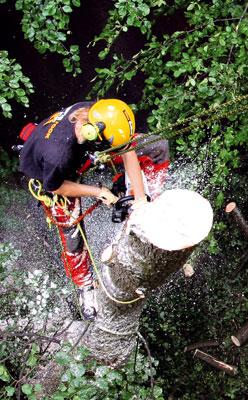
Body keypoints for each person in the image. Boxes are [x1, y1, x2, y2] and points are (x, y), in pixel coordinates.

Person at [19, 99, 170, 319]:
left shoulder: (101, 113)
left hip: (83, 152)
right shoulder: (58, 155)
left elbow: (127, 149)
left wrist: (140, 200)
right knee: (71, 230)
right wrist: (99, 192)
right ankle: (85, 286)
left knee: (157, 146)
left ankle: (144, 199)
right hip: (54, 177)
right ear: (91, 134)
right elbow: (58, 186)